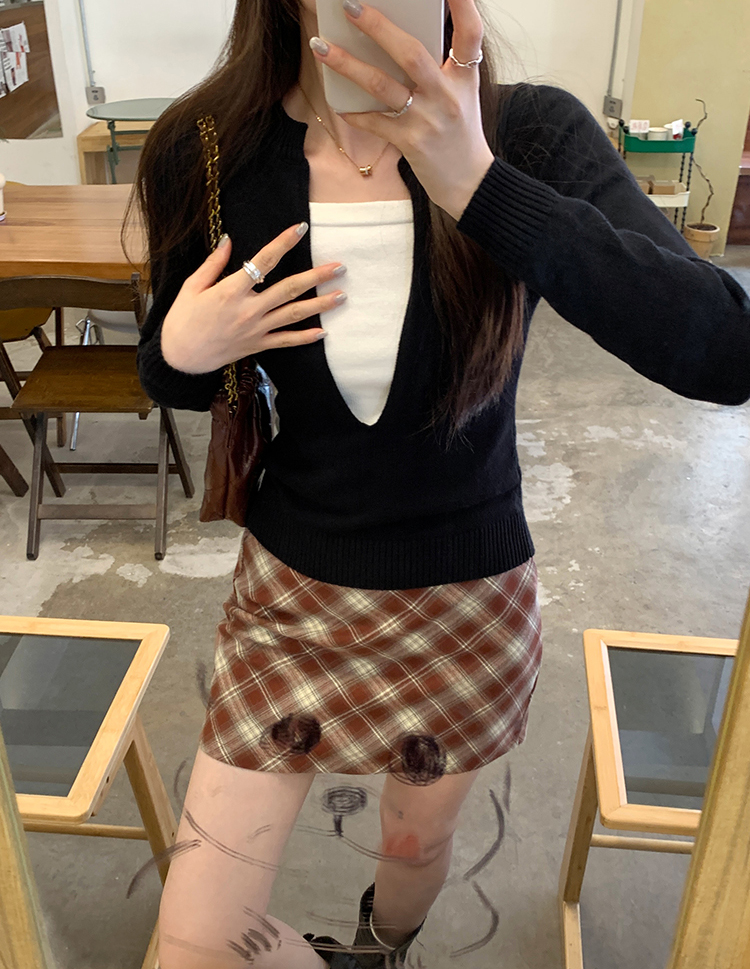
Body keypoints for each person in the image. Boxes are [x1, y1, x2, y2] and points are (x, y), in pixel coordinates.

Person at [135, 0, 750, 964]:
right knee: (197, 940)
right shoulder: (206, 146)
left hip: (470, 591)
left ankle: (381, 950)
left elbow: (724, 350)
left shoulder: (528, 133)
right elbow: (171, 365)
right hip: (292, 593)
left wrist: (478, 183)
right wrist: (180, 349)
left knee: (414, 844)